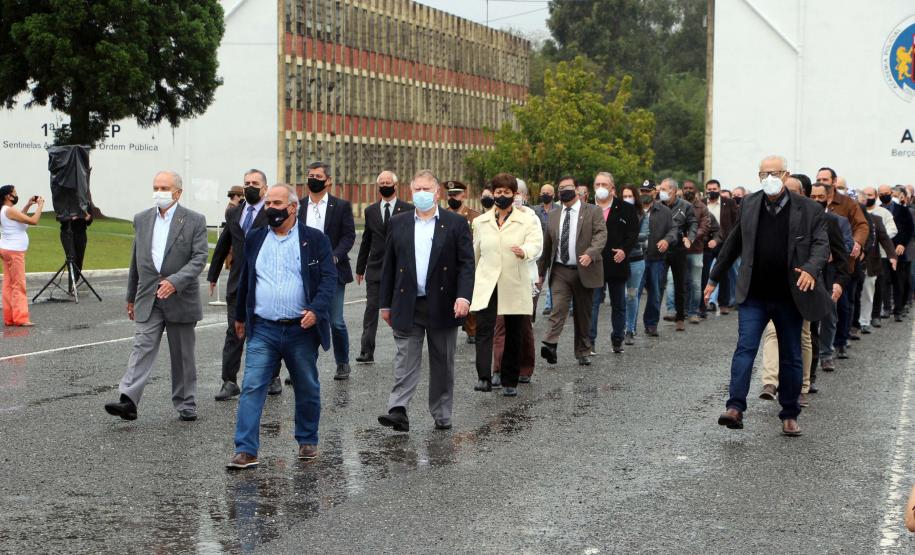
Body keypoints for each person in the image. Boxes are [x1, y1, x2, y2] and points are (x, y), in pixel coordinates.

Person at [706, 155, 830, 437]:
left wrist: (810, 270)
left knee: (790, 355)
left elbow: (821, 245)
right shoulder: (749, 204)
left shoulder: (808, 209)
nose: (769, 178)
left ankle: (789, 414)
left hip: (789, 296)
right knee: (745, 348)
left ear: (786, 174)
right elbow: (734, 243)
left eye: (774, 173)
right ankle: (735, 408)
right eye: (763, 174)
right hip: (755, 294)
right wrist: (714, 278)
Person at [227, 184, 338, 469]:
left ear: (292, 207)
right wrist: (240, 317)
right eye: (267, 204)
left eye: (277, 202)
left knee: (306, 385)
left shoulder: (314, 240)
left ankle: (307, 440)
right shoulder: (255, 238)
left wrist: (316, 310)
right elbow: (246, 280)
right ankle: (246, 449)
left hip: (301, 328)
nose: (271, 208)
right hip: (263, 328)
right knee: (252, 386)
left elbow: (327, 280)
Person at [104, 171, 208, 422]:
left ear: (178, 192)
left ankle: (186, 403)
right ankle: (128, 400)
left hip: (180, 297)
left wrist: (175, 281)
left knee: (182, 354)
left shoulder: (194, 220)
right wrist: (131, 295)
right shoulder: (142, 219)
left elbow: (199, 258)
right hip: (148, 297)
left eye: (164, 187)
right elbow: (136, 260)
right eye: (156, 187)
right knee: (142, 347)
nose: (159, 192)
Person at [377, 170, 474, 432]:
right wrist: (385, 304)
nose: (421, 194)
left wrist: (464, 296)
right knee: (404, 359)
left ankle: (442, 412)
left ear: (437, 193)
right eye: (417, 189)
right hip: (408, 303)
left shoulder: (455, 223)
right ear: (411, 192)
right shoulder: (399, 223)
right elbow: (389, 265)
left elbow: (466, 264)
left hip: (443, 304)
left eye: (426, 189)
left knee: (442, 362)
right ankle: (398, 409)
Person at [470, 173, 542, 395]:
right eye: (498, 192)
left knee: (514, 331)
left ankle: (510, 381)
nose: (502, 196)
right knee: (484, 329)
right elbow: (476, 253)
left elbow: (536, 244)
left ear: (515, 195)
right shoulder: (481, 222)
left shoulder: (527, 219)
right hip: (488, 282)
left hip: (514, 281)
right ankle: (484, 377)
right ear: (493, 194)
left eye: (506, 192)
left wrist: (525, 252)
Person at [208, 170, 269, 401]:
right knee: (234, 332)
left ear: (264, 188)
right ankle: (229, 380)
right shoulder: (235, 213)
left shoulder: (272, 212)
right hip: (236, 284)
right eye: (247, 183)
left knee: (264, 331)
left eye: (255, 183)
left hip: (264, 283)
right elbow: (224, 244)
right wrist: (213, 275)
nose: (250, 187)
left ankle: (271, 376)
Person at [537, 175, 607, 366]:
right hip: (560, 270)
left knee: (583, 314)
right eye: (561, 188)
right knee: (557, 308)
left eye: (568, 187)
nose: (564, 191)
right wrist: (541, 273)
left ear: (577, 189)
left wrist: (591, 253)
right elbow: (547, 246)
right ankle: (550, 345)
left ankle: (583, 350)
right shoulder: (553, 215)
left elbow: (601, 235)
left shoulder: (593, 211)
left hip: (585, 269)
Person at [297, 161, 356, 380]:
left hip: (333, 271)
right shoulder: (299, 206)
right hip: (305, 272)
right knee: (304, 320)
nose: (313, 179)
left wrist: (334, 256)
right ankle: (302, 367)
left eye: (318, 176)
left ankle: (342, 362)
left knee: (335, 320)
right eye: (310, 175)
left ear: (328, 180)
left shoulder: (340, 206)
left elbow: (348, 236)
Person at [354, 171, 412, 364]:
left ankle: (404, 350)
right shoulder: (370, 211)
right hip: (376, 268)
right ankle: (366, 350)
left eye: (388, 182)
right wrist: (360, 267)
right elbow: (366, 240)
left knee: (399, 310)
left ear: (396, 186)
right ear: (378, 187)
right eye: (382, 183)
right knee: (371, 310)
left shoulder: (408, 209)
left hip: (399, 268)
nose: (385, 185)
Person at [589, 172, 638, 354]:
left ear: (612, 188)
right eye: (597, 184)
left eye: (604, 184)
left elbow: (633, 233)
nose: (600, 188)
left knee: (618, 304)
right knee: (592, 304)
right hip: (593, 263)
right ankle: (590, 341)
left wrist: (624, 250)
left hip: (617, 262)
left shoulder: (625, 208)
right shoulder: (587, 208)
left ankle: (618, 338)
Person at [0, 185, 43, 326]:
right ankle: (21, 318)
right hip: (14, 252)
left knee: (8, 284)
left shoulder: (5, 210)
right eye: (15, 193)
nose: (16, 195)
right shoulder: (9, 210)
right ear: (8, 196)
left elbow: (20, 218)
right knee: (18, 285)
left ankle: (10, 318)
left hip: (6, 250)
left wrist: (28, 205)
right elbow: (33, 221)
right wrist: (40, 206)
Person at [659, 178, 698, 331]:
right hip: (661, 248)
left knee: (680, 284)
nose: (661, 192)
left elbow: (693, 223)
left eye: (664, 189)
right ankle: (653, 320)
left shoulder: (686, 206)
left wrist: (690, 237)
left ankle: (680, 317)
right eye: (660, 189)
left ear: (674, 191)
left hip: (679, 249)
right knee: (658, 284)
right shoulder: (658, 205)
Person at [444, 180, 481, 344]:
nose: (452, 198)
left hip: (467, 262)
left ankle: (472, 330)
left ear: (463, 195)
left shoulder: (474, 216)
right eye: (450, 195)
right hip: (446, 264)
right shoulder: (442, 214)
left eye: (455, 195)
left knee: (468, 296)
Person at [639, 180, 677, 337]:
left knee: (655, 293)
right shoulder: (633, 209)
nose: (645, 194)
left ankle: (651, 323)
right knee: (633, 294)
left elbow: (673, 229)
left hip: (656, 258)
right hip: (636, 258)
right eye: (642, 191)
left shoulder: (664, 210)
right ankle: (629, 327)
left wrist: (666, 240)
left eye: (648, 191)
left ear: (654, 192)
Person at [700, 179, 739, 315]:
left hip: (725, 242)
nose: (712, 192)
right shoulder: (701, 203)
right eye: (709, 189)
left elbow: (736, 221)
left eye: (714, 189)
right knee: (705, 273)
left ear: (719, 189)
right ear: (706, 190)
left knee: (724, 273)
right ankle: (704, 304)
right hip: (706, 243)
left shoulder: (729, 203)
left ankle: (724, 303)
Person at [878, 184, 914, 321]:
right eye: (881, 194)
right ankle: (886, 308)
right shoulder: (878, 210)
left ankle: (898, 309)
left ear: (891, 193)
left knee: (899, 281)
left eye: (886, 193)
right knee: (884, 281)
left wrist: (903, 244)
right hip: (882, 251)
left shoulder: (902, 210)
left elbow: (910, 229)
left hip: (899, 251)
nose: (884, 195)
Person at [681, 180, 714, 324]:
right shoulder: (677, 206)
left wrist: (690, 237)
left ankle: (693, 312)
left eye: (691, 188)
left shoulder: (702, 207)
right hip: (679, 250)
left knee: (695, 283)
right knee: (679, 283)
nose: (688, 190)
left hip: (696, 250)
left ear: (696, 190)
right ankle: (680, 311)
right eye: (685, 188)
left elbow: (705, 227)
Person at [622, 184, 647, 344]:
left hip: (636, 260)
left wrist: (628, 236)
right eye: (624, 196)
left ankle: (630, 329)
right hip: (618, 260)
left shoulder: (641, 215)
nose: (627, 199)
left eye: (630, 196)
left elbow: (645, 235)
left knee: (631, 295)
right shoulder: (616, 213)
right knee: (619, 297)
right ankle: (619, 329)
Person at [533, 183, 557, 315]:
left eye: (548, 192)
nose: (545, 194)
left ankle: (555, 312)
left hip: (555, 252)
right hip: (539, 254)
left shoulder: (559, 209)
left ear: (553, 195)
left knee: (556, 285)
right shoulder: (533, 210)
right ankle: (531, 316)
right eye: (543, 192)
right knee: (536, 285)